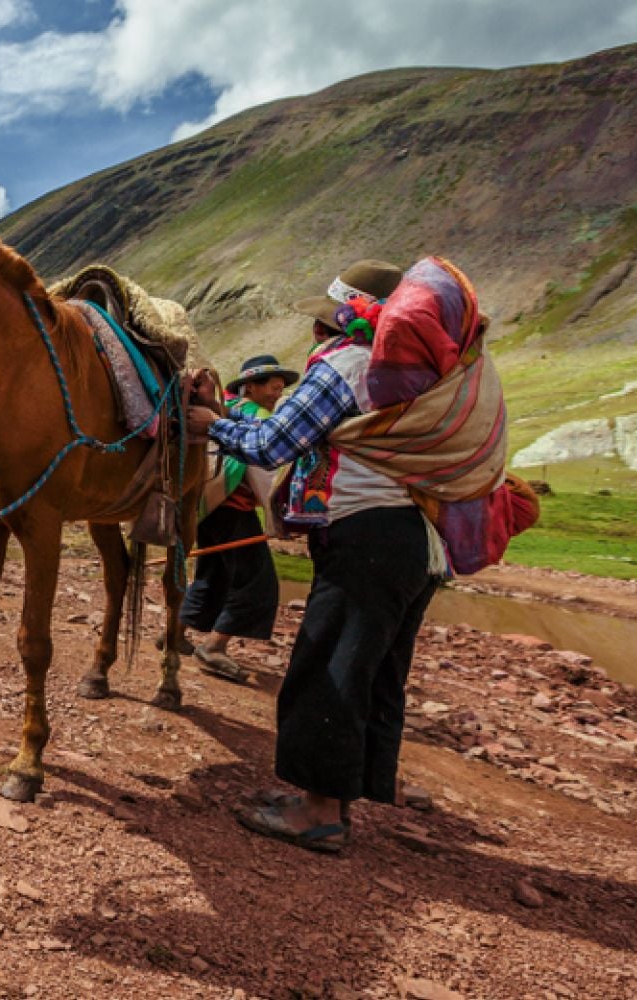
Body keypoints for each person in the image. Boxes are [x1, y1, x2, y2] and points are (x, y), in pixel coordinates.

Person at [183, 259, 429, 854]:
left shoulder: (348, 364)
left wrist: (213, 423)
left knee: (329, 667)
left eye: (324, 321)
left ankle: (318, 816)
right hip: (416, 537)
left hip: (367, 538)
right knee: (372, 671)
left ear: (339, 322)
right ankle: (334, 800)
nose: (317, 332)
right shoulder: (416, 373)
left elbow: (273, 443)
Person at [181, 355, 298, 683]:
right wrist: (283, 518)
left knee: (213, 575)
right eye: (272, 388)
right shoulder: (258, 416)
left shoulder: (225, 408)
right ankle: (214, 647)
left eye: (280, 389)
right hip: (233, 509)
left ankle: (173, 633)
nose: (276, 395)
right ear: (251, 387)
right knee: (258, 583)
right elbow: (269, 473)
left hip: (207, 506)